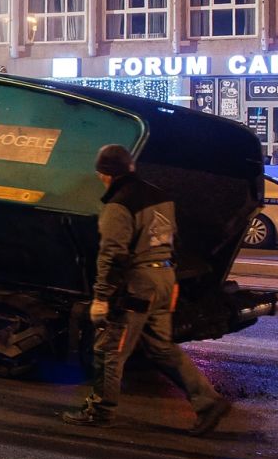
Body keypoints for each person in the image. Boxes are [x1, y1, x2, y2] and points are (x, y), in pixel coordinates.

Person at [61, 144, 232, 435]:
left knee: (109, 349)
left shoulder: (119, 205)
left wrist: (102, 297)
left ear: (106, 174)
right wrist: (172, 280)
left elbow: (112, 254)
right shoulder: (160, 195)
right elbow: (173, 239)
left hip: (137, 284)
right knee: (161, 347)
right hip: (164, 276)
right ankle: (208, 401)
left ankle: (100, 410)